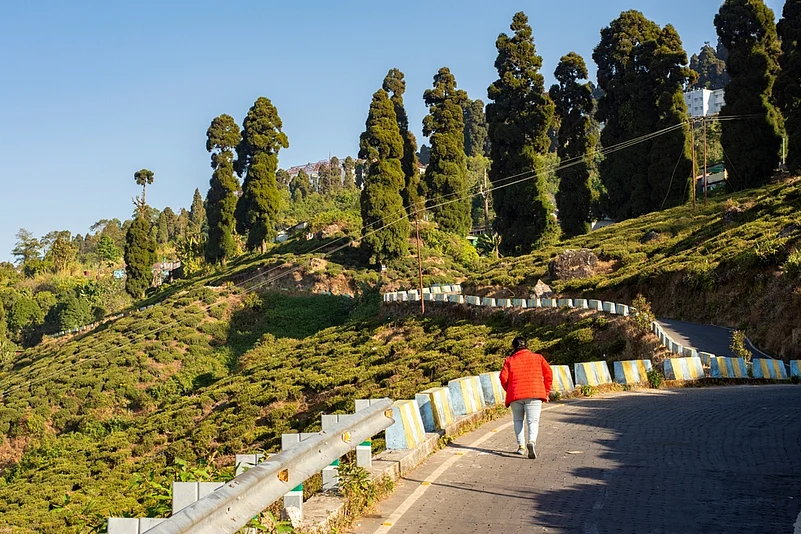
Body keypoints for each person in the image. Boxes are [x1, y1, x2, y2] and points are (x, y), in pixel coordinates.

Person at [499, 336, 553, 459]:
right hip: (535, 393)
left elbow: (503, 378)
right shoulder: (538, 358)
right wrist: (546, 391)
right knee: (532, 421)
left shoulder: (509, 360)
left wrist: (510, 390)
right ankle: (532, 442)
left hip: (515, 395)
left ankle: (521, 447)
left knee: (518, 420)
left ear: (514, 347)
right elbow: (549, 374)